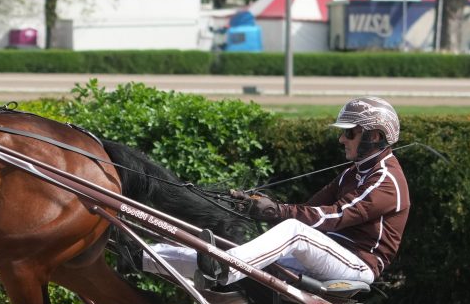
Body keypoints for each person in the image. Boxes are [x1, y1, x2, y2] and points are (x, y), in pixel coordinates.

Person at [140, 96, 410, 288]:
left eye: (350, 133)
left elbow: (333, 217)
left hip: (357, 265)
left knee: (292, 231)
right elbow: (311, 208)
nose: (341, 139)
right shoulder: (354, 172)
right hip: (328, 256)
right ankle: (143, 256)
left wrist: (276, 212)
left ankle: (227, 268)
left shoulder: (386, 180)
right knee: (242, 249)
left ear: (374, 136)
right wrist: (255, 205)